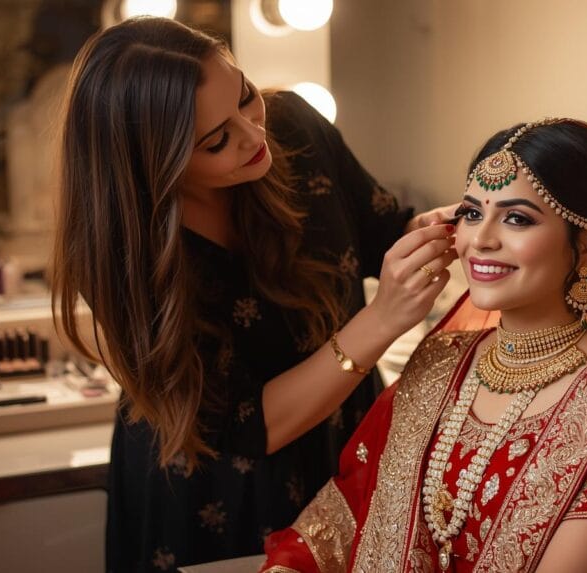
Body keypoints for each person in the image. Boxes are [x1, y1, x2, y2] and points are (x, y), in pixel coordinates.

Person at [50, 17, 458, 572]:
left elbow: (380, 232)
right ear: (154, 166)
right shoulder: (124, 256)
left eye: (245, 97)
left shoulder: (295, 128)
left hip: (346, 442)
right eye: (217, 140)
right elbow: (246, 426)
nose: (253, 135)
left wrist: (449, 230)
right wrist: (381, 320)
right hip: (218, 495)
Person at [260, 118, 587, 572]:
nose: (479, 240)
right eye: (472, 213)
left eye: (517, 218)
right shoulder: (441, 359)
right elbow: (338, 522)